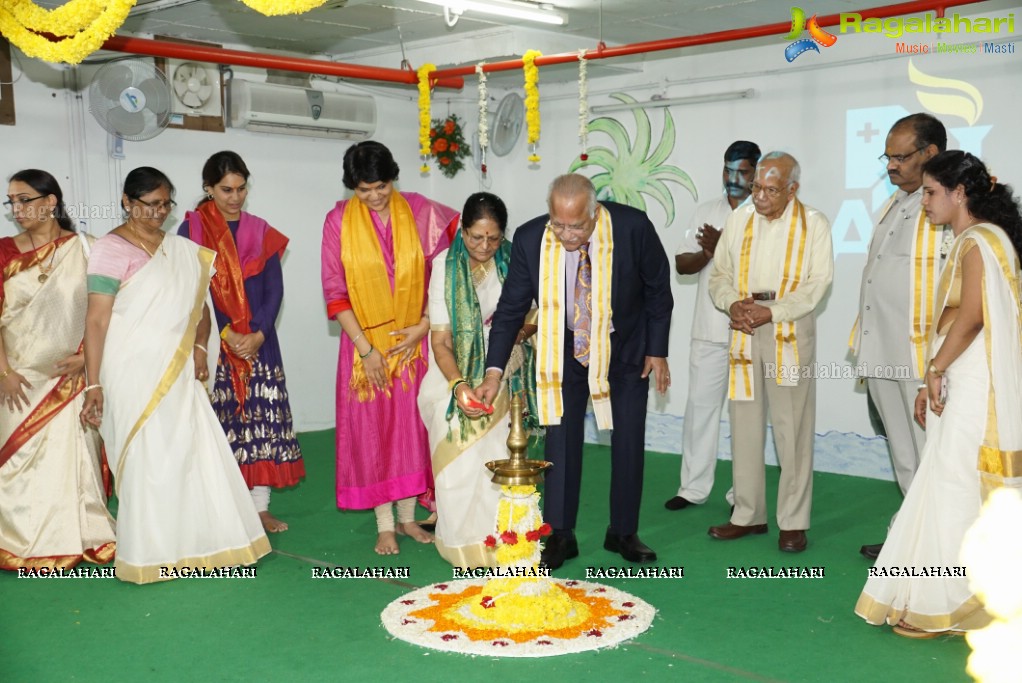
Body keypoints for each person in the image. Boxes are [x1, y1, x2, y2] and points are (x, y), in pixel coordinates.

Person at [856, 150, 1022, 637]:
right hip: (969, 379)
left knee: (955, 488)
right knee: (950, 483)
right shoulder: (986, 239)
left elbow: (971, 317)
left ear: (959, 193)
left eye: (930, 192)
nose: (923, 202)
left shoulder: (977, 241)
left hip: (973, 384)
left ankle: (951, 606)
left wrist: (935, 368)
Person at [80, 167, 269, 583]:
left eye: (165, 204)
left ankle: (202, 545)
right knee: (146, 456)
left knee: (188, 451)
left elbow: (200, 308)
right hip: (129, 370)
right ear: (127, 202)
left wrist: (201, 348)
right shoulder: (110, 249)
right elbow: (95, 321)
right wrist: (93, 383)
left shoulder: (182, 250)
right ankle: (152, 552)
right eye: (149, 204)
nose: (158, 213)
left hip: (179, 368)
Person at [477, 173, 673, 570]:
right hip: (563, 350)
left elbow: (657, 288)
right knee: (560, 441)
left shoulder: (633, 228)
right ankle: (561, 534)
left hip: (625, 348)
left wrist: (657, 350)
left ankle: (623, 531)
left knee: (629, 440)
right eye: (559, 223)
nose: (567, 235)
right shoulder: (533, 239)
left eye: (577, 226)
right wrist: (493, 372)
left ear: (595, 212)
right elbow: (511, 309)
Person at [321, 141, 458, 556]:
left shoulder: (420, 213)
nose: (375, 196)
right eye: (364, 190)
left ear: (392, 179)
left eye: (381, 186)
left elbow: (447, 271)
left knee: (409, 432)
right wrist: (366, 349)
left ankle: (407, 519)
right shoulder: (338, 221)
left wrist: (422, 328)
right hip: (365, 350)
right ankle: (384, 524)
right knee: (372, 433)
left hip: (413, 345)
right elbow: (334, 290)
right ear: (352, 189)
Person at [707, 152, 833, 553]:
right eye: (756, 186)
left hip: (789, 330)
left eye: (770, 189)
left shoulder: (814, 224)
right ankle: (748, 514)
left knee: (791, 425)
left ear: (793, 189)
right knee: (743, 421)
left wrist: (771, 311)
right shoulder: (739, 219)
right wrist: (733, 304)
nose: (759, 196)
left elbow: (817, 285)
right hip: (745, 327)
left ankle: (793, 521)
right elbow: (720, 275)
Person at [179, 151, 304, 533]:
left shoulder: (260, 230)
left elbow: (273, 290)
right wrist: (226, 333)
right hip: (217, 345)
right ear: (208, 189)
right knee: (223, 423)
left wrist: (259, 333)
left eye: (241, 188)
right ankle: (226, 506)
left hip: (260, 343)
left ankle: (261, 507)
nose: (235, 197)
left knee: (262, 422)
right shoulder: (193, 232)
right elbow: (193, 292)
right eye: (226, 190)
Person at [0, 169, 116, 572]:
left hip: (71, 376)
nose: (16, 209)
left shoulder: (87, 249)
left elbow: (110, 312)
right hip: (18, 378)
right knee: (20, 460)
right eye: (11, 201)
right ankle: (21, 540)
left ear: (50, 202)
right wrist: (4, 373)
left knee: (76, 458)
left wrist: (87, 359)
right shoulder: (3, 252)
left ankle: (84, 535)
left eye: (24, 199)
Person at [417, 192, 538, 568]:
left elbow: (536, 312)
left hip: (502, 365)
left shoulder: (517, 258)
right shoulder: (444, 266)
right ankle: (461, 547)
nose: (485, 246)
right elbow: (440, 340)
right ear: (462, 231)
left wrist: (519, 336)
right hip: (451, 371)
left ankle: (502, 542)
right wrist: (459, 387)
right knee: (455, 460)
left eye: (494, 238)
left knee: (497, 458)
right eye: (476, 237)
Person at [851, 114, 949, 560]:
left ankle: (939, 547)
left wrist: (940, 360)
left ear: (930, 154)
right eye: (887, 156)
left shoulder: (950, 208)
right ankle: (909, 536)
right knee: (904, 455)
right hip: (881, 349)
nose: (890, 165)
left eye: (900, 156)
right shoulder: (896, 202)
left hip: (921, 355)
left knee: (933, 455)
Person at [666, 140, 760, 512]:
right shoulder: (707, 211)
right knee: (700, 412)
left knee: (745, 418)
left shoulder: (765, 215)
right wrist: (707, 253)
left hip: (750, 333)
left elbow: (763, 272)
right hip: (708, 330)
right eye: (727, 170)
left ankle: (743, 496)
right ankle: (692, 488)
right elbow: (682, 265)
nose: (733, 179)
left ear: (756, 174)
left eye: (742, 172)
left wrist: (723, 248)